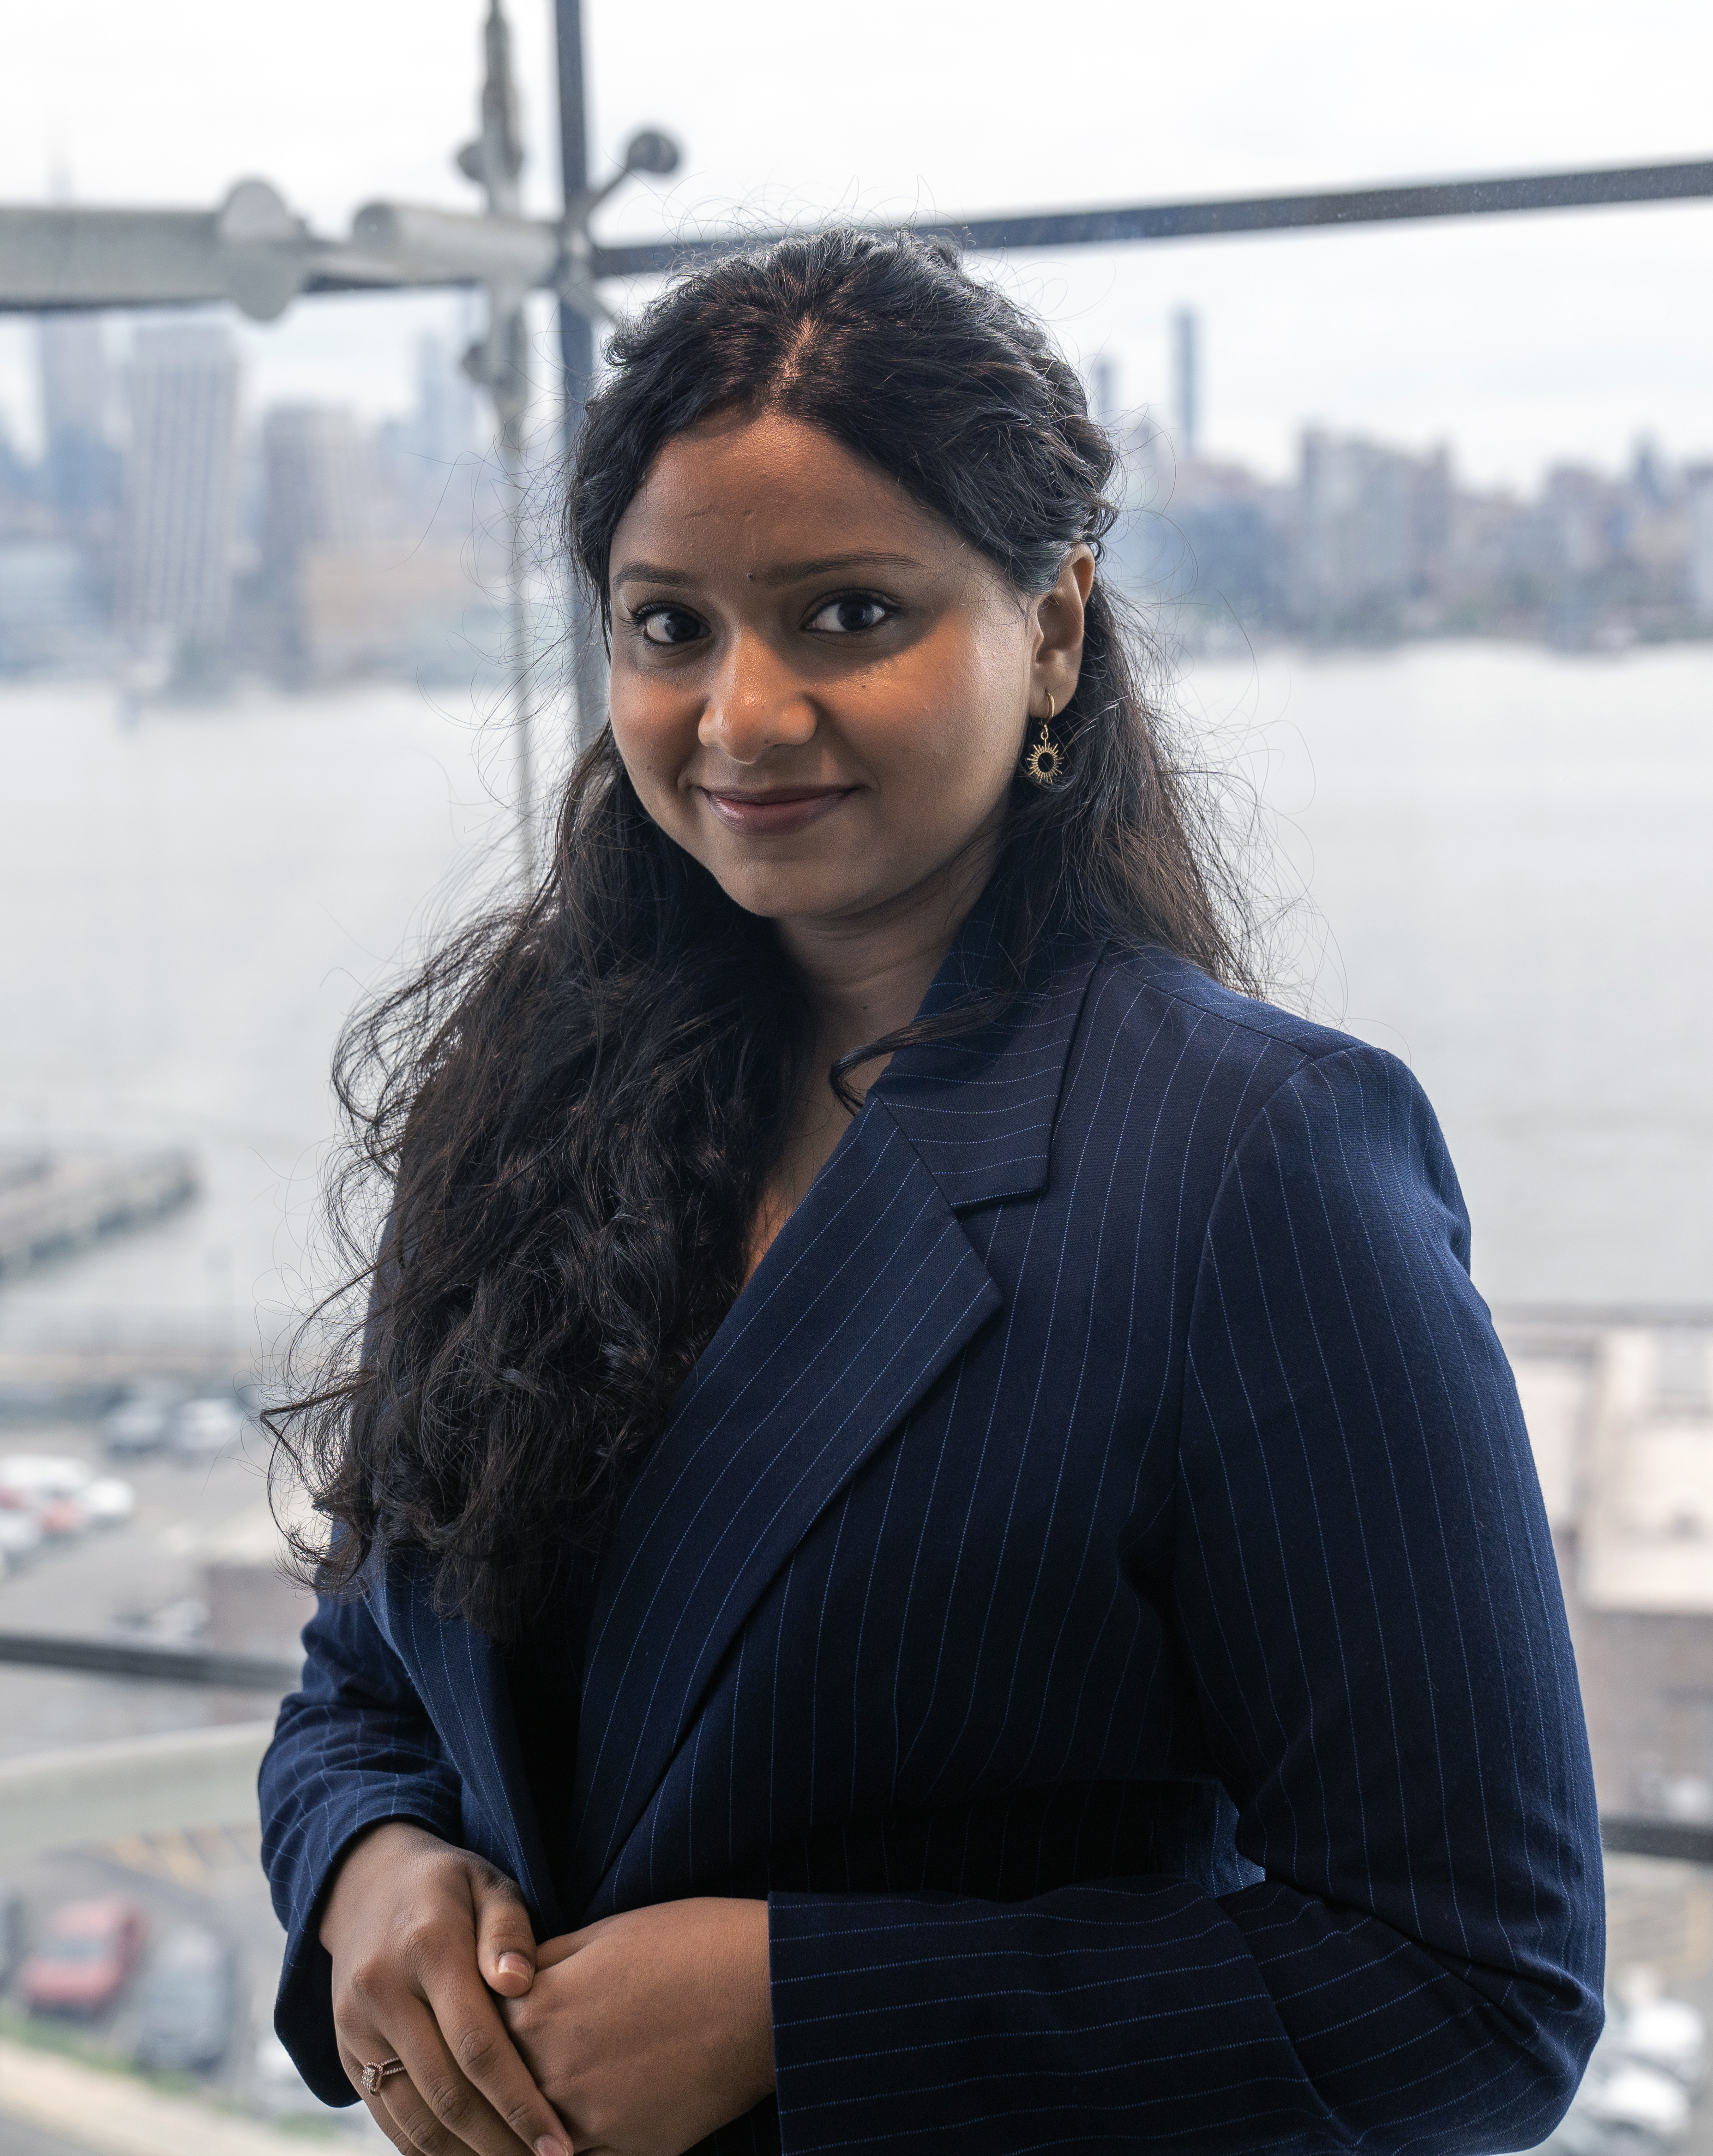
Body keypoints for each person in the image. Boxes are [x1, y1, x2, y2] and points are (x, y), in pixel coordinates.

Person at [259, 230, 1602, 2156]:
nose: (739, 717)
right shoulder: (528, 1084)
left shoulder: (1253, 1165)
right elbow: (366, 1658)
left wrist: (797, 2005)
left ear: (1053, 626)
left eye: (847, 615)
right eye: (668, 627)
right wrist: (368, 1864)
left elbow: (1481, 1994)